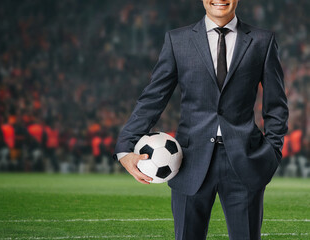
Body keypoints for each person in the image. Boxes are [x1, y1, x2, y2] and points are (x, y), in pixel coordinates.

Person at [113, 1, 288, 239]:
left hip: (245, 161)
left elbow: (276, 103)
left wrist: (273, 151)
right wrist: (125, 147)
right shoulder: (178, 40)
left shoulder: (262, 40)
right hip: (188, 161)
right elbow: (154, 97)